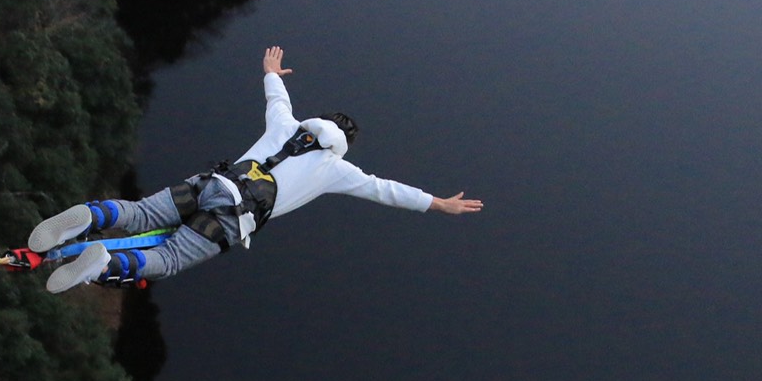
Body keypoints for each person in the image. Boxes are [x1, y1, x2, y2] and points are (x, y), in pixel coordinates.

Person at [31, 45, 483, 292]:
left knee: (140, 214)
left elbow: (277, 98)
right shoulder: (337, 170)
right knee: (166, 259)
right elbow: (386, 190)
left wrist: (270, 70)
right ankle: (105, 261)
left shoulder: (289, 124)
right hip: (232, 219)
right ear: (344, 146)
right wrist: (438, 204)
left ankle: (92, 217)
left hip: (210, 183)